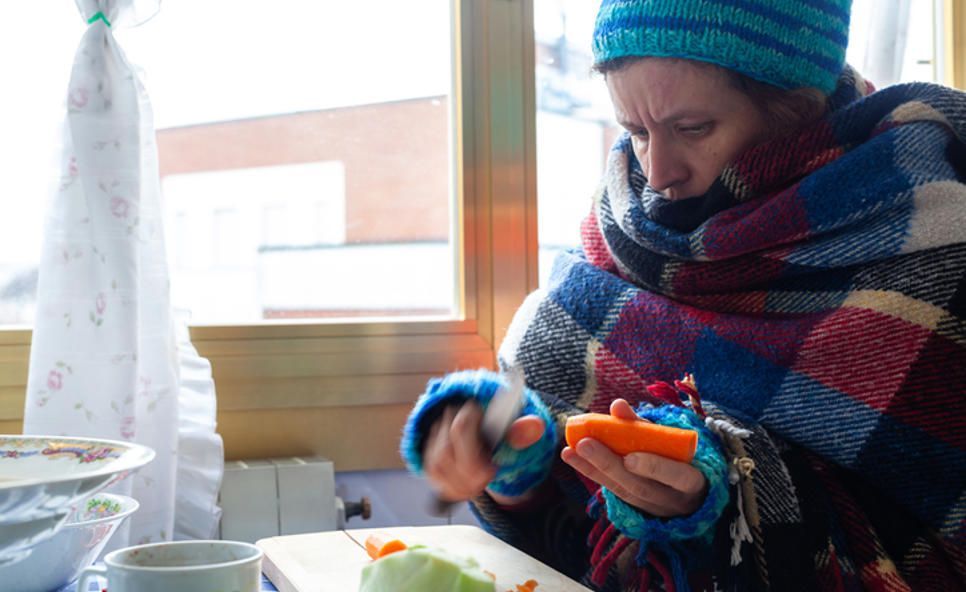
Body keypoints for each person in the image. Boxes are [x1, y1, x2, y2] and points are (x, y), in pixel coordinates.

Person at [400, 1, 966, 590]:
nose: (659, 170)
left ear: (792, 107)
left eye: (692, 128)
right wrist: (519, 465)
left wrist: (734, 492)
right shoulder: (617, 238)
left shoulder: (937, 237)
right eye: (635, 131)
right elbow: (565, 545)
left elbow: (933, 550)